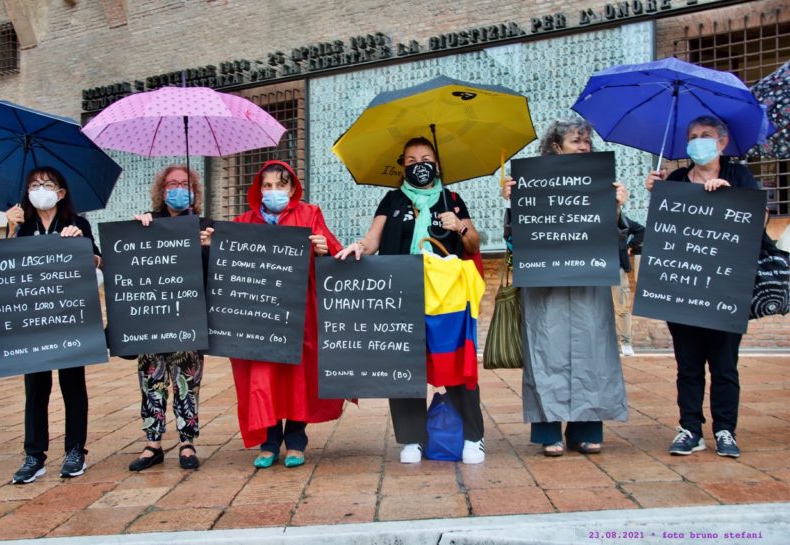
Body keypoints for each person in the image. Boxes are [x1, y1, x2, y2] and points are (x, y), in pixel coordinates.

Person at [336, 136, 486, 465]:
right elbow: (373, 241)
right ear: (403, 166)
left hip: (447, 297)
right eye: (412, 160)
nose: (420, 165)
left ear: (437, 164)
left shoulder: (453, 199)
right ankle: (412, 439)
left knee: (455, 363)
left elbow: (474, 244)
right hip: (401, 291)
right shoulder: (392, 200)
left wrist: (460, 227)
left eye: (426, 159)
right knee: (404, 365)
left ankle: (473, 436)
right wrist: (359, 247)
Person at [502, 118, 628, 456]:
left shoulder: (601, 182)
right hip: (545, 285)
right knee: (546, 352)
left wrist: (616, 208)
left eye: (587, 141)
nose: (584, 147)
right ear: (556, 147)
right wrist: (512, 202)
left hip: (588, 284)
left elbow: (616, 238)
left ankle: (585, 429)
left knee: (592, 351)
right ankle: (548, 432)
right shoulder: (532, 182)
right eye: (576, 141)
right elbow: (513, 238)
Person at [644, 115, 758, 458]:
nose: (698, 142)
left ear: (722, 142)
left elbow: (759, 220)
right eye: (692, 136)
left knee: (724, 365)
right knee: (688, 366)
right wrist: (656, 195)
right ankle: (690, 429)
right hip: (683, 288)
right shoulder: (676, 179)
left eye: (705, 135)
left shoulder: (739, 175)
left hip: (725, 290)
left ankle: (725, 430)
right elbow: (664, 232)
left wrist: (730, 196)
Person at [225, 160, 346, 469]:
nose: (274, 191)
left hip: (299, 314)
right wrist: (212, 243)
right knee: (262, 378)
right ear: (259, 190)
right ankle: (268, 443)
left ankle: (295, 442)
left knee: (297, 378)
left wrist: (323, 249)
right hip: (259, 317)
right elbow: (227, 263)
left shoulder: (310, 214)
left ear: (293, 189)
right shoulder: (244, 222)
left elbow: (336, 252)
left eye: (281, 185)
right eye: (267, 186)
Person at [5, 166, 101, 484]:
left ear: (60, 193)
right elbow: (6, 270)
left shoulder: (77, 223)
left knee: (73, 384)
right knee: (35, 388)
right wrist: (10, 229)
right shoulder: (22, 225)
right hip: (34, 321)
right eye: (34, 185)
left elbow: (97, 262)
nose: (40, 190)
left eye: (47, 184)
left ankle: (75, 450)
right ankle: (34, 455)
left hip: (70, 318)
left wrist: (81, 244)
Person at [128, 165, 214, 471]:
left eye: (185, 184)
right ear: (162, 190)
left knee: (187, 381)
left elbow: (216, 275)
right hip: (153, 317)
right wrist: (137, 230)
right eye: (172, 183)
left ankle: (187, 442)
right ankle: (153, 443)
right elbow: (130, 262)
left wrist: (209, 247)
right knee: (152, 380)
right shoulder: (148, 223)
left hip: (189, 317)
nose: (179, 189)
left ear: (195, 190)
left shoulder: (205, 226)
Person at [614, 213, 645, 356]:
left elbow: (641, 230)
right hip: (595, 268)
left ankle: (626, 342)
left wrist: (629, 246)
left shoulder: (622, 219)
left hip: (617, 266)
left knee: (622, 307)